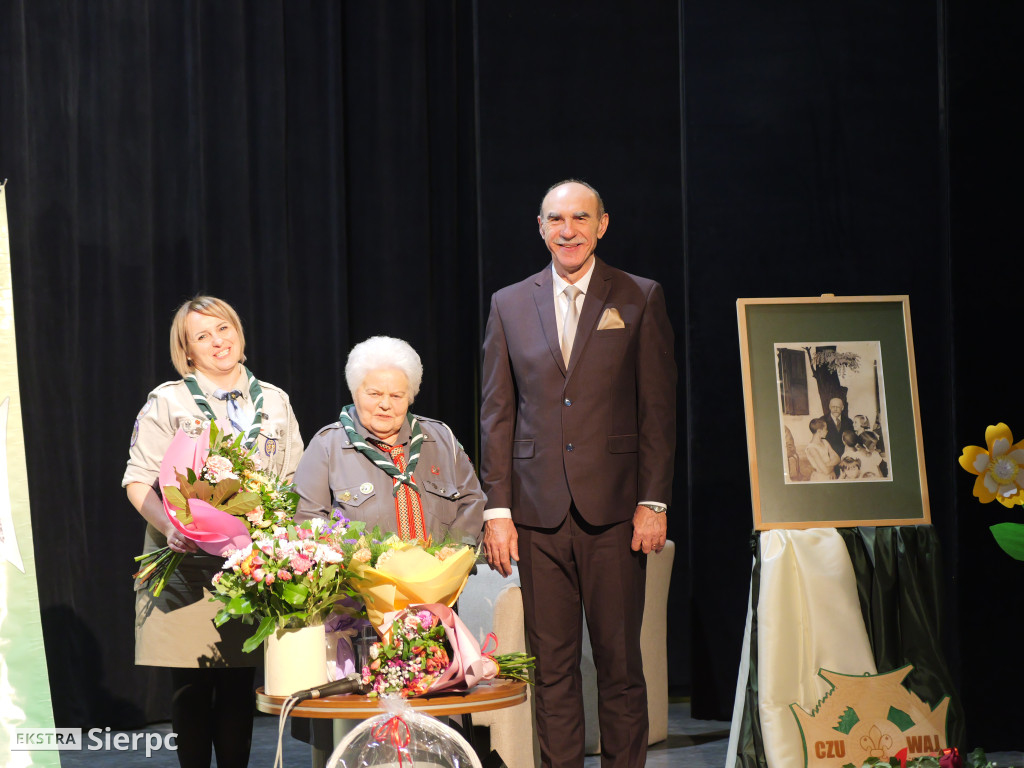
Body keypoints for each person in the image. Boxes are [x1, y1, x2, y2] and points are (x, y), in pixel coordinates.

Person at [480, 179, 676, 768]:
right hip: (537, 517)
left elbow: (658, 411)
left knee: (620, 666)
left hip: (617, 514)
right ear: (540, 227)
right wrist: (497, 510)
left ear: (602, 225)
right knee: (553, 668)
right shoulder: (509, 303)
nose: (569, 230)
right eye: (556, 219)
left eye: (580, 218)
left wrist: (654, 501)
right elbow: (497, 412)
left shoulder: (639, 296)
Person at [123, 296, 303, 768]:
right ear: (187, 353)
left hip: (248, 563)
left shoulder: (277, 401)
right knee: (191, 686)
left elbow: (292, 482)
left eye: (223, 329)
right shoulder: (170, 400)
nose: (217, 342)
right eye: (202, 337)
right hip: (184, 558)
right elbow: (138, 480)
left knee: (237, 685)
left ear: (239, 334)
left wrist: (277, 536)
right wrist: (168, 526)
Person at [294, 335, 483, 545]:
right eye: (374, 394)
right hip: (363, 575)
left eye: (396, 396)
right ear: (355, 393)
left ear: (410, 397)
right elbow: (309, 521)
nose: (385, 404)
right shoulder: (326, 446)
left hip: (445, 573)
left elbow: (471, 501)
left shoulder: (442, 438)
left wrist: (450, 556)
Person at [805, 417, 840, 481]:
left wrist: (827, 465)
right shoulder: (812, 448)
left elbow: (837, 458)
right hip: (820, 477)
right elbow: (825, 471)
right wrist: (832, 465)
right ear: (819, 431)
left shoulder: (825, 441)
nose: (827, 431)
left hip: (830, 475)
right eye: (825, 429)